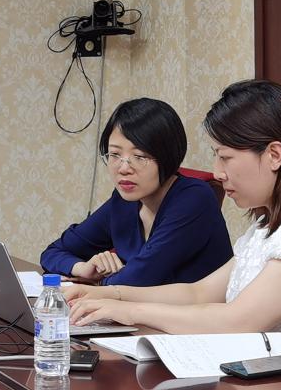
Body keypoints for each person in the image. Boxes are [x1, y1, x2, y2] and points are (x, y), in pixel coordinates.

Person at [66, 80, 281, 381]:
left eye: (225, 157)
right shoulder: (266, 226)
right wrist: (104, 295)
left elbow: (239, 321)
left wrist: (128, 310)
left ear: (274, 155)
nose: (217, 173)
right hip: (276, 379)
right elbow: (198, 293)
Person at [40, 98, 232, 286]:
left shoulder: (194, 199)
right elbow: (53, 252)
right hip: (133, 308)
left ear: (168, 156)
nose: (123, 168)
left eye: (139, 157)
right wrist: (82, 268)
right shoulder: (124, 201)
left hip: (200, 308)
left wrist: (99, 282)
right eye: (115, 154)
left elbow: (139, 279)